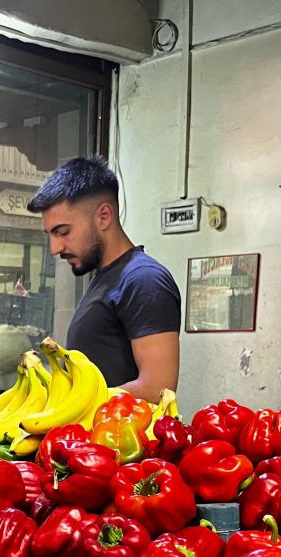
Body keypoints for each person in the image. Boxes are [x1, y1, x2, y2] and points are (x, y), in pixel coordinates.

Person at [27, 156, 181, 400]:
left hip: (123, 437)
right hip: (89, 436)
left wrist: (71, 405)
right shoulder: (106, 279)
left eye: (63, 232)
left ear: (104, 216)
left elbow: (157, 390)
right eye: (50, 234)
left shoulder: (144, 280)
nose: (55, 248)